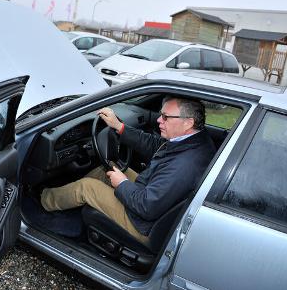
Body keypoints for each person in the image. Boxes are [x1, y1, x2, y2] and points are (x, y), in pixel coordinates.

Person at [41, 96, 216, 243]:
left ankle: (42, 203)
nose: (158, 120)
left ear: (188, 123)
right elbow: (156, 145)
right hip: (152, 201)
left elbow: (147, 207)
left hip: (144, 225)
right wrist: (119, 127)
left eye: (165, 117)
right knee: (105, 170)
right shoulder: (195, 140)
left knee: (86, 187)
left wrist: (123, 183)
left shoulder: (184, 165)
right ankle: (67, 201)